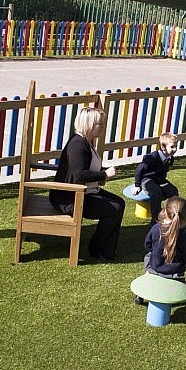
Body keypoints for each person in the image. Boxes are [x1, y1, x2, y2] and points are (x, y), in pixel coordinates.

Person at [50, 106, 125, 262]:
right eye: (100, 124)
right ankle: (100, 250)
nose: (102, 127)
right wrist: (105, 174)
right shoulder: (77, 144)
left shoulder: (85, 141)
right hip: (70, 198)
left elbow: (84, 169)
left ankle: (101, 247)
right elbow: (80, 174)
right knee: (115, 208)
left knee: (119, 203)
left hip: (83, 192)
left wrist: (102, 174)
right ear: (89, 124)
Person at [134, 196, 186, 305]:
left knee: (149, 255)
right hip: (175, 274)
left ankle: (142, 290)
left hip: (154, 268)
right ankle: (175, 292)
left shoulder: (156, 228)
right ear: (185, 217)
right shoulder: (183, 236)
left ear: (165, 212)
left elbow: (147, 245)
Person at [132, 132, 179, 225]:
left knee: (173, 191)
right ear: (163, 147)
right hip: (147, 179)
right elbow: (139, 170)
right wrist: (137, 185)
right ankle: (156, 219)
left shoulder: (170, 158)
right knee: (156, 193)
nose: (175, 149)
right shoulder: (151, 158)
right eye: (172, 147)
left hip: (160, 180)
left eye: (176, 146)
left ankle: (172, 216)